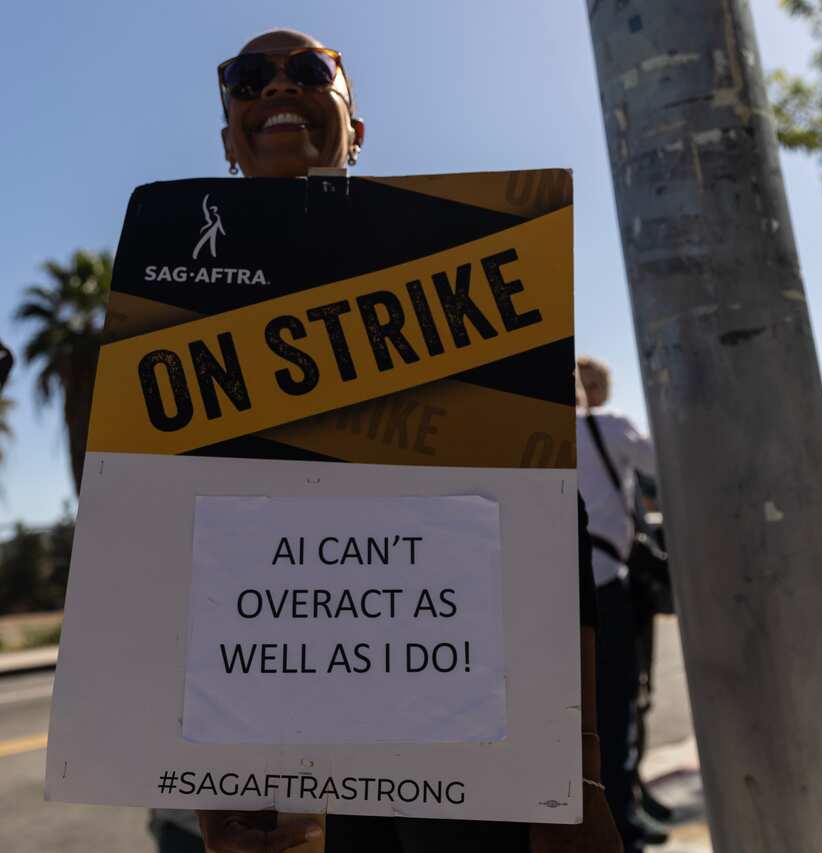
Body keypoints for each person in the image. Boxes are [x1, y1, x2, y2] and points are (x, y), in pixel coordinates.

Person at [194, 29, 622, 853]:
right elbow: (187, 554)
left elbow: (541, 529)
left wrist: (579, 768)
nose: (276, 88)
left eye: (310, 71)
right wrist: (211, 774)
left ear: (356, 129)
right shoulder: (181, 316)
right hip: (301, 748)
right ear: (228, 143)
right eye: (249, 80)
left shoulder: (454, 270)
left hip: (471, 734)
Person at [576, 356, 658, 853]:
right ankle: (623, 828)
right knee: (615, 708)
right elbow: (661, 463)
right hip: (605, 584)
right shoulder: (610, 426)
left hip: (545, 593)